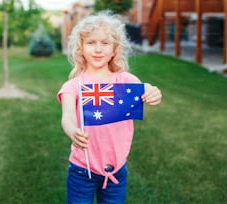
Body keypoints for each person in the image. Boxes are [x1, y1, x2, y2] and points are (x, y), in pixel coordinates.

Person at [57, 10, 162, 204]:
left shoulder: (125, 81)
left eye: (105, 43)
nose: (98, 49)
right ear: (80, 48)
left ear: (115, 49)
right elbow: (68, 116)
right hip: (82, 169)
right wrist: (72, 131)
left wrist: (152, 91)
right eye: (91, 43)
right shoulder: (73, 86)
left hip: (116, 169)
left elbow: (145, 89)